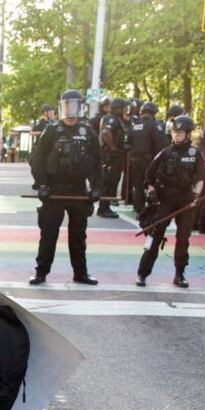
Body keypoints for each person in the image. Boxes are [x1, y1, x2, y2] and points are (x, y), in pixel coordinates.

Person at [29, 89, 101, 286]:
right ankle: (41, 272)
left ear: (80, 106)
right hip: (55, 190)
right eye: (67, 104)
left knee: (78, 235)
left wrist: (96, 187)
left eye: (74, 104)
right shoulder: (51, 130)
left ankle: (81, 273)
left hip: (78, 190)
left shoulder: (88, 132)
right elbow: (37, 158)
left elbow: (97, 162)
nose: (71, 108)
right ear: (62, 106)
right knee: (49, 233)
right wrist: (42, 183)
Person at [136, 115, 205, 288]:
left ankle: (179, 274)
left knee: (183, 239)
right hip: (166, 200)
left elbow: (201, 178)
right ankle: (142, 273)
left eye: (180, 132)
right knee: (155, 234)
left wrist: (196, 197)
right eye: (174, 132)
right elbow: (149, 176)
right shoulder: (165, 153)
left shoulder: (196, 154)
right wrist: (151, 191)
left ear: (188, 134)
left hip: (186, 201)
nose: (176, 135)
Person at [127, 101, 168, 215]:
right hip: (150, 160)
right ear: (153, 113)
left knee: (138, 184)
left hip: (135, 159)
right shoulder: (155, 125)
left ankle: (138, 208)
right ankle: (151, 208)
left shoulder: (135, 125)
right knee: (152, 183)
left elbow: (128, 142)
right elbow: (163, 144)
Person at [96, 97, 126, 218]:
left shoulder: (111, 118)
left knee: (111, 182)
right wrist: (114, 148)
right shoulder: (112, 119)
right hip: (110, 156)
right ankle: (104, 208)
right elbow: (105, 133)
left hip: (110, 155)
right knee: (109, 182)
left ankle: (105, 207)